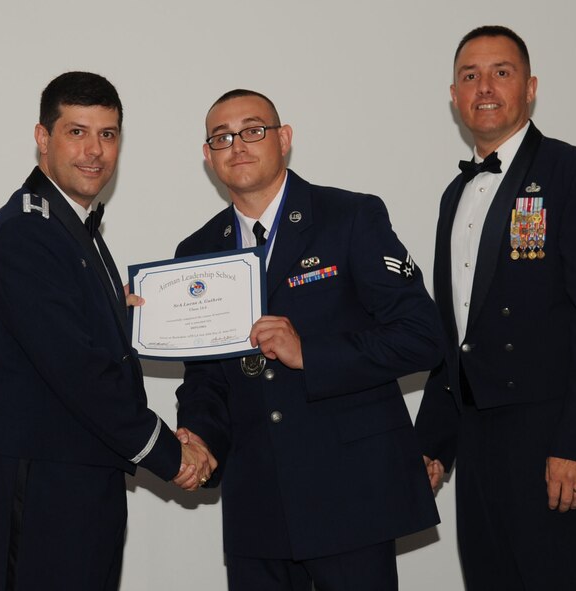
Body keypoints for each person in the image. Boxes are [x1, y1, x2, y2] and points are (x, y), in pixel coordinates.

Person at [173, 89, 445, 591]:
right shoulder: (197, 251)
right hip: (257, 504)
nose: (238, 145)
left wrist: (311, 354)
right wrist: (197, 435)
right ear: (208, 156)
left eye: (253, 130)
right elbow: (206, 378)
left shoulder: (350, 217)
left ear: (285, 139)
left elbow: (423, 337)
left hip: (351, 496)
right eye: (222, 137)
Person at [0, 71, 215, 590]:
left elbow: (81, 343)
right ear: (42, 138)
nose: (94, 151)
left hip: (81, 480)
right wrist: (168, 453)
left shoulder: (74, 230)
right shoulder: (26, 235)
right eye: (77, 132)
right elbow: (80, 372)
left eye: (108, 134)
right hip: (41, 487)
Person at [415, 26, 576, 590]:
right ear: (454, 94)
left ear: (530, 88)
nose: (484, 87)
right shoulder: (453, 195)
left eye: (501, 72)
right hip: (477, 441)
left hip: (552, 442)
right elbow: (454, 332)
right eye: (470, 76)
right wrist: (432, 444)